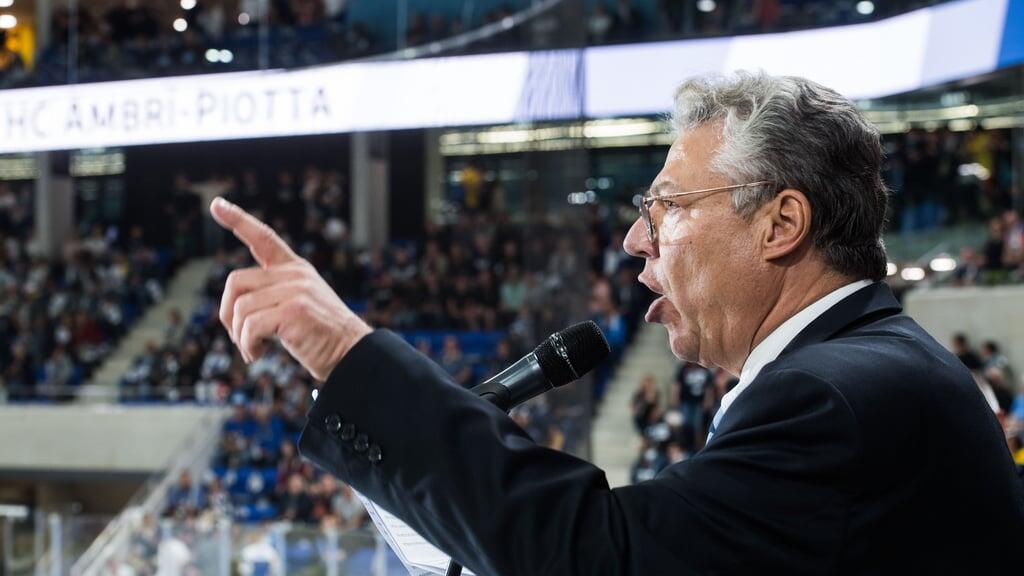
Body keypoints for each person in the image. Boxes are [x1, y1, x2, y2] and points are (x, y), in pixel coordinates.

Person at [211, 71, 1024, 574]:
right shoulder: (861, 369)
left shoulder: (831, 397)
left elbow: (605, 559)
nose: (636, 239)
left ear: (780, 224)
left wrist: (345, 351)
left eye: (666, 206)